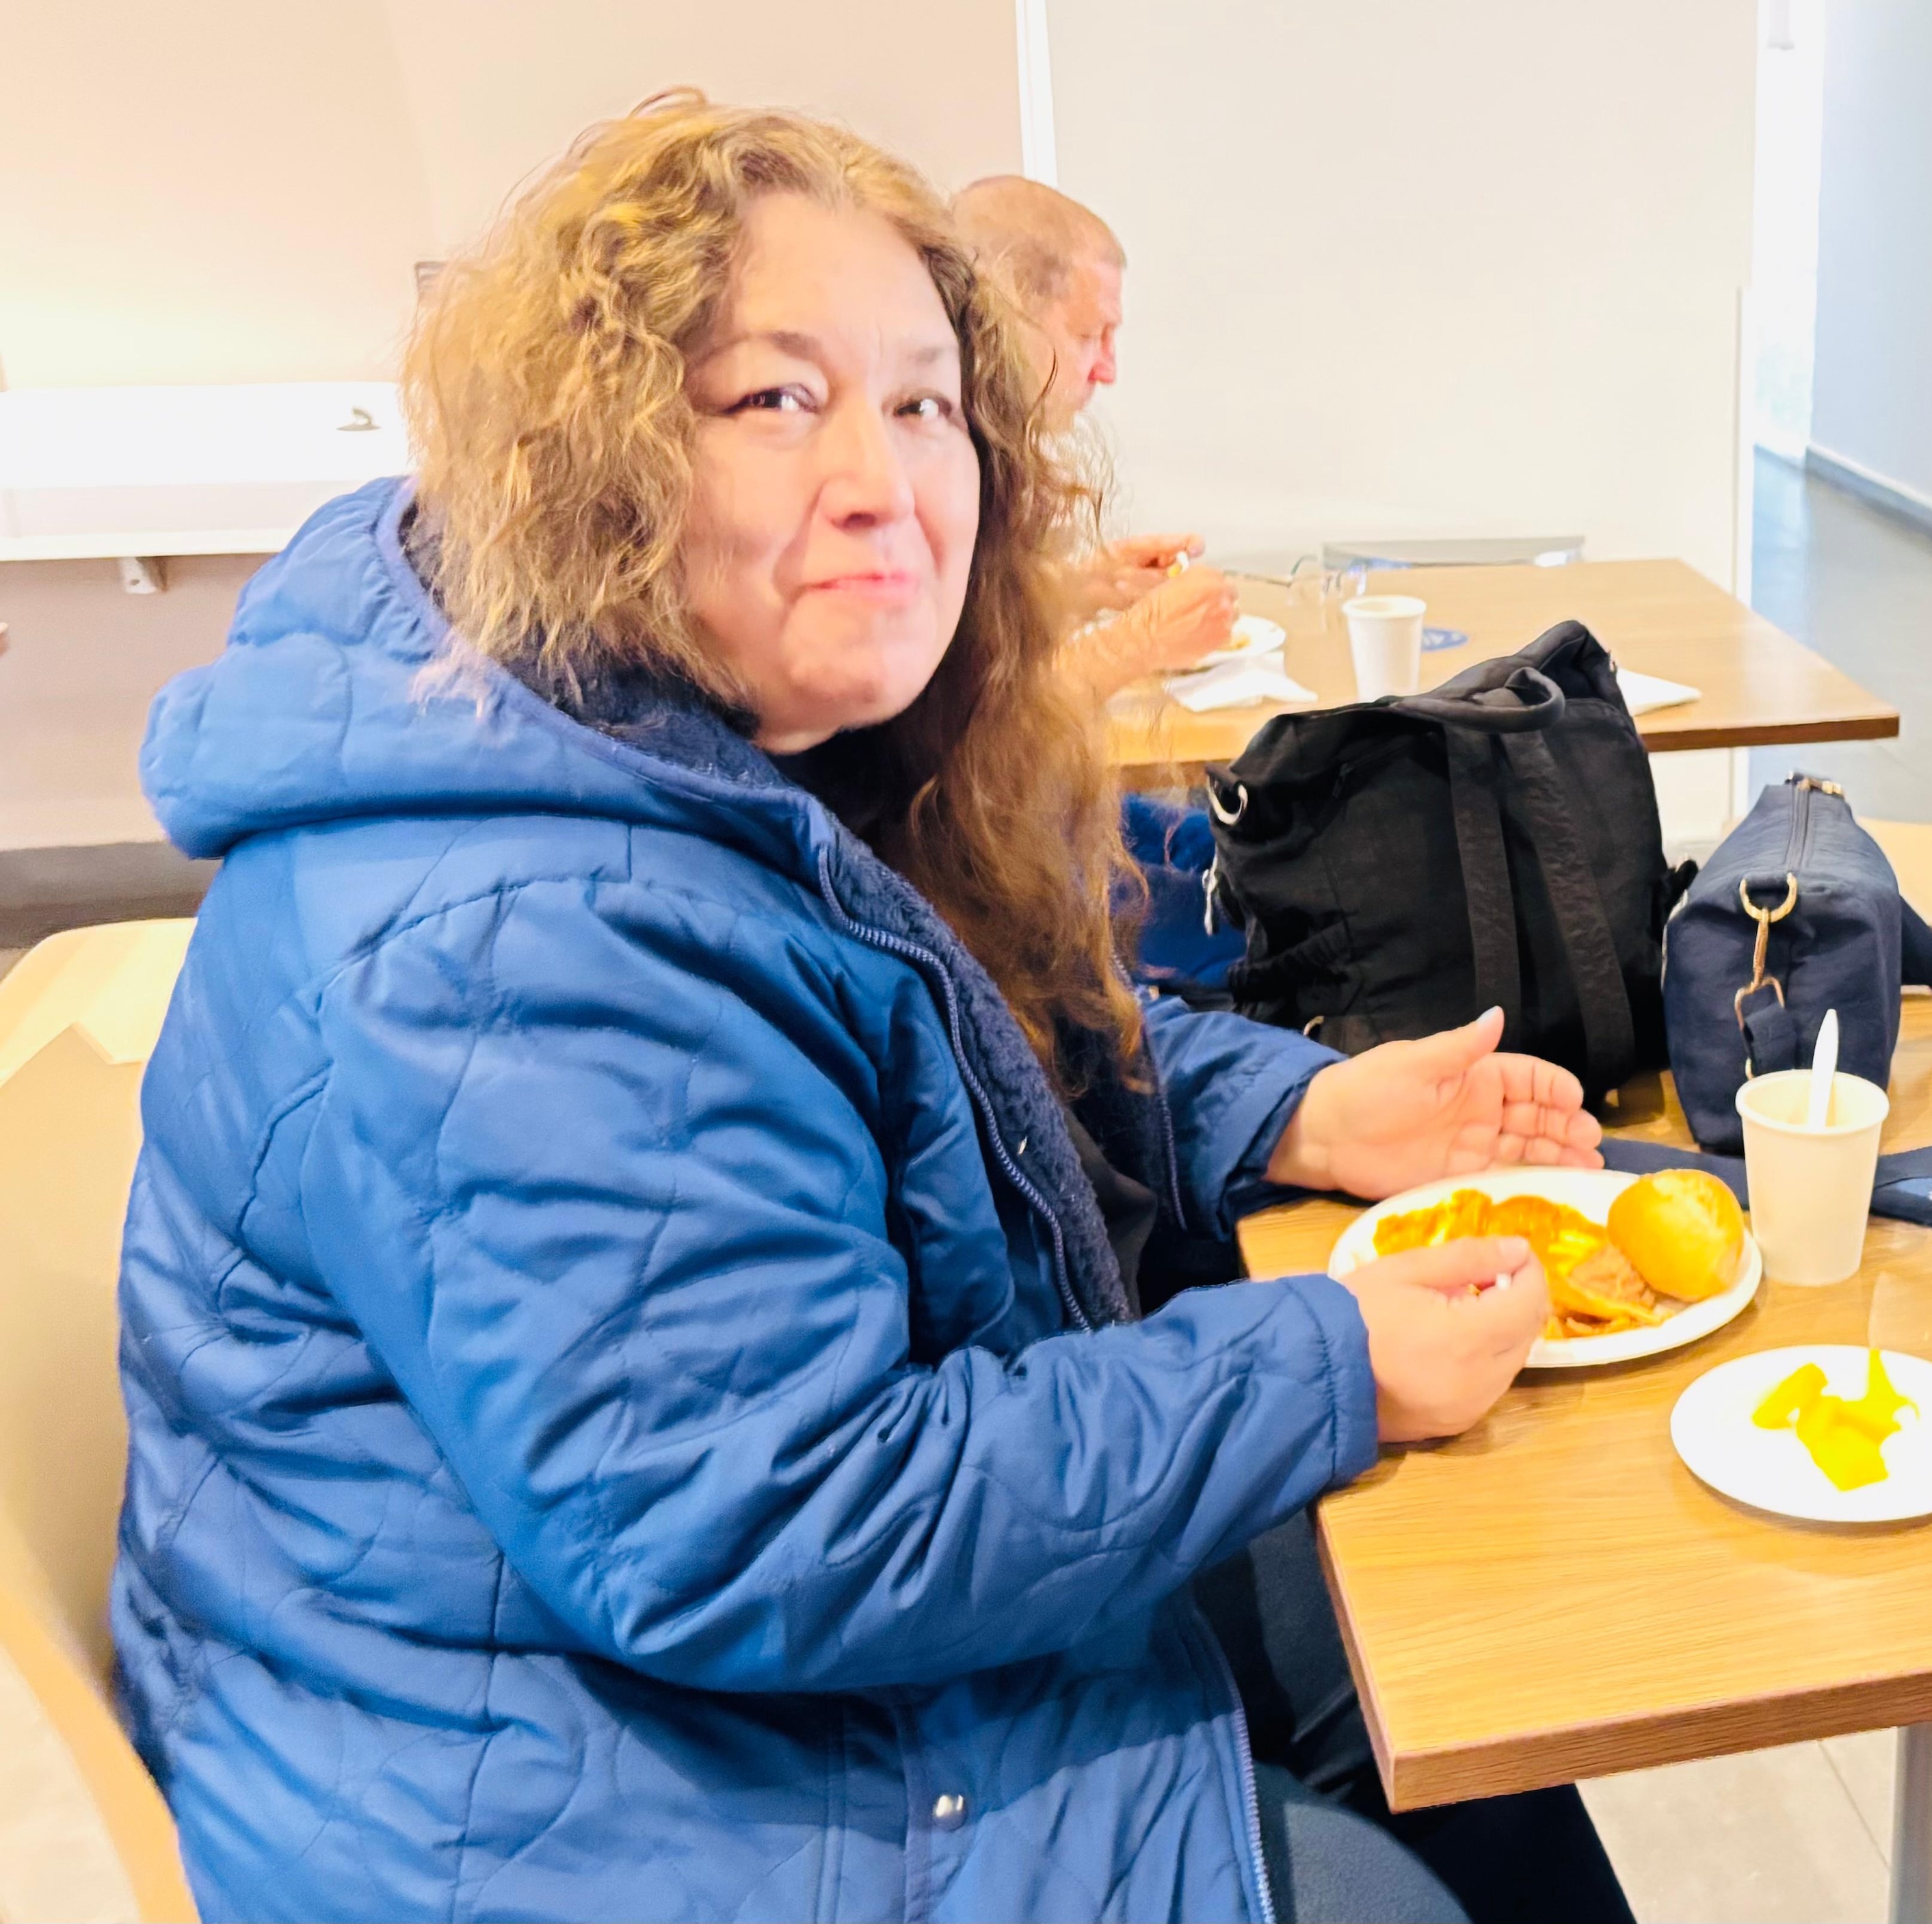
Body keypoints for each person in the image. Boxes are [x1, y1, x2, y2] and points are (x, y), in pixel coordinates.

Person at [114, 94, 1630, 1923]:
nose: (882, 475)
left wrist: (1293, 1112)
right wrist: (1325, 1350)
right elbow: (780, 1521)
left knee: (1444, 1656)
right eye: (777, 397)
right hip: (577, 1797)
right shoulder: (512, 933)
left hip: (697, 1661)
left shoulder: (714, 738)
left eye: (923, 403)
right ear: (596, 451)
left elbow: (990, 1040)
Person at [952, 172, 1238, 698]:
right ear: (1003, 313)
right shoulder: (939, 469)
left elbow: (979, 634)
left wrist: (1087, 586)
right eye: (1089, 335)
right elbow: (976, 725)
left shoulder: (984, 451)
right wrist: (1138, 642)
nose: (1107, 371)